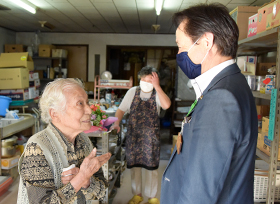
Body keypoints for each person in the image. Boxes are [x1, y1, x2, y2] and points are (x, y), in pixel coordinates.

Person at [161, 3, 258, 204]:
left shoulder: (221, 98)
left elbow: (199, 192)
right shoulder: (227, 84)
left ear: (206, 41)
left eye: (181, 46)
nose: (179, 54)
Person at [17, 78, 111, 203]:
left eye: (87, 103)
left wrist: (87, 181)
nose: (89, 110)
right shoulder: (37, 147)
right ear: (55, 114)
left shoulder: (83, 140)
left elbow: (102, 191)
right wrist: (80, 178)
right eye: (80, 104)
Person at [111, 66, 171, 204]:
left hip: (151, 138)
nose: (146, 82)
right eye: (143, 80)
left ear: (155, 80)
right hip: (134, 137)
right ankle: (137, 194)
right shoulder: (133, 92)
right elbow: (120, 110)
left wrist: (157, 87)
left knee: (152, 167)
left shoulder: (157, 93)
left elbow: (167, 105)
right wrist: (116, 123)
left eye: (149, 80)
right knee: (135, 166)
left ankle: (152, 197)